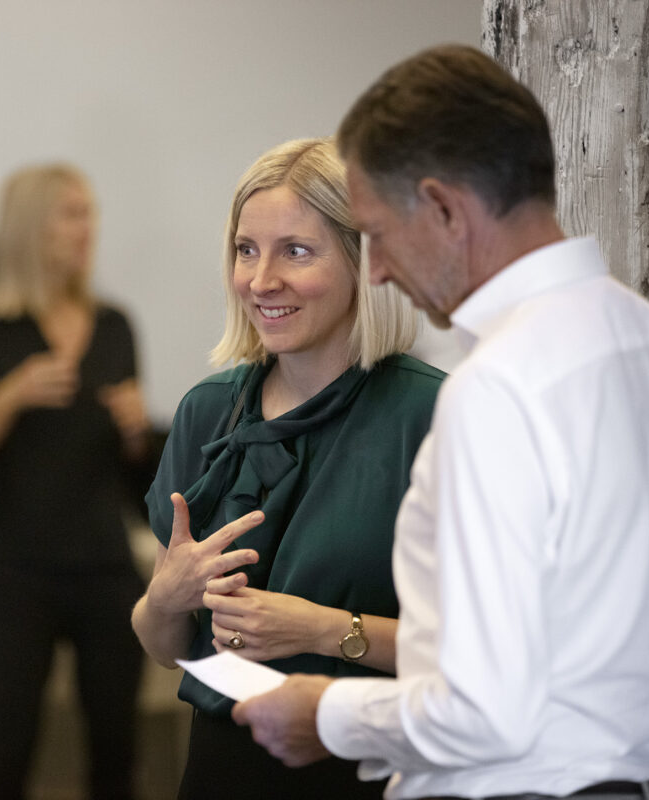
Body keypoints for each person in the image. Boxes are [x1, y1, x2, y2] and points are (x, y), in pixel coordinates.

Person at [233, 44, 649, 800]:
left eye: (377, 233)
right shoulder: (643, 338)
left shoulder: (498, 387)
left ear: (443, 210)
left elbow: (482, 712)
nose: (377, 271)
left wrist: (325, 713)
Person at [131, 137, 443, 800]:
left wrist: (325, 631)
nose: (260, 279)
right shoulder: (207, 410)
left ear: (363, 260)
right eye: (246, 250)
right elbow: (167, 647)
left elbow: (485, 655)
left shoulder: (432, 416)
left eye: (295, 251)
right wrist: (165, 599)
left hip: (365, 766)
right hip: (218, 769)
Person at [0, 164, 148, 800]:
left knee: (117, 751)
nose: (88, 228)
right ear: (32, 227)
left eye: (89, 213)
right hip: (17, 572)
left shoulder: (114, 326)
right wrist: (10, 396)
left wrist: (138, 431)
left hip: (106, 567)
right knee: (9, 749)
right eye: (71, 213)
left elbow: (138, 479)